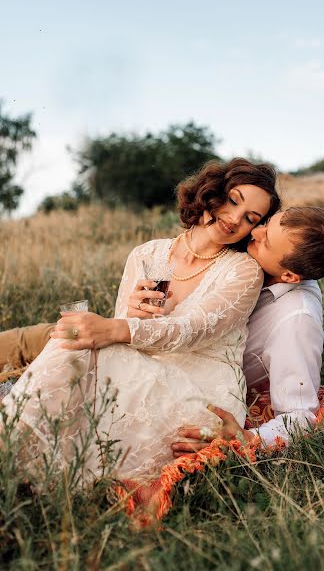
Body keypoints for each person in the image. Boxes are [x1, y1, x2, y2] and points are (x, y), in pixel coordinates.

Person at [1, 158, 280, 482]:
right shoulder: (146, 254)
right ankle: (17, 449)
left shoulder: (243, 270)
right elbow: (119, 335)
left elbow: (193, 330)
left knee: (73, 343)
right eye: (233, 201)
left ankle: (12, 447)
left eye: (250, 218)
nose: (235, 219)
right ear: (211, 193)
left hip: (199, 389)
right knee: (73, 342)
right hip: (142, 370)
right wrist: (129, 316)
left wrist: (118, 326)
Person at [171, 206, 324, 456]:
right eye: (267, 223)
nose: (256, 232)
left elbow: (300, 413)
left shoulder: (297, 319)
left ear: (290, 276)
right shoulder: (257, 260)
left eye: (267, 241)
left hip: (200, 384)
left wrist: (249, 437)